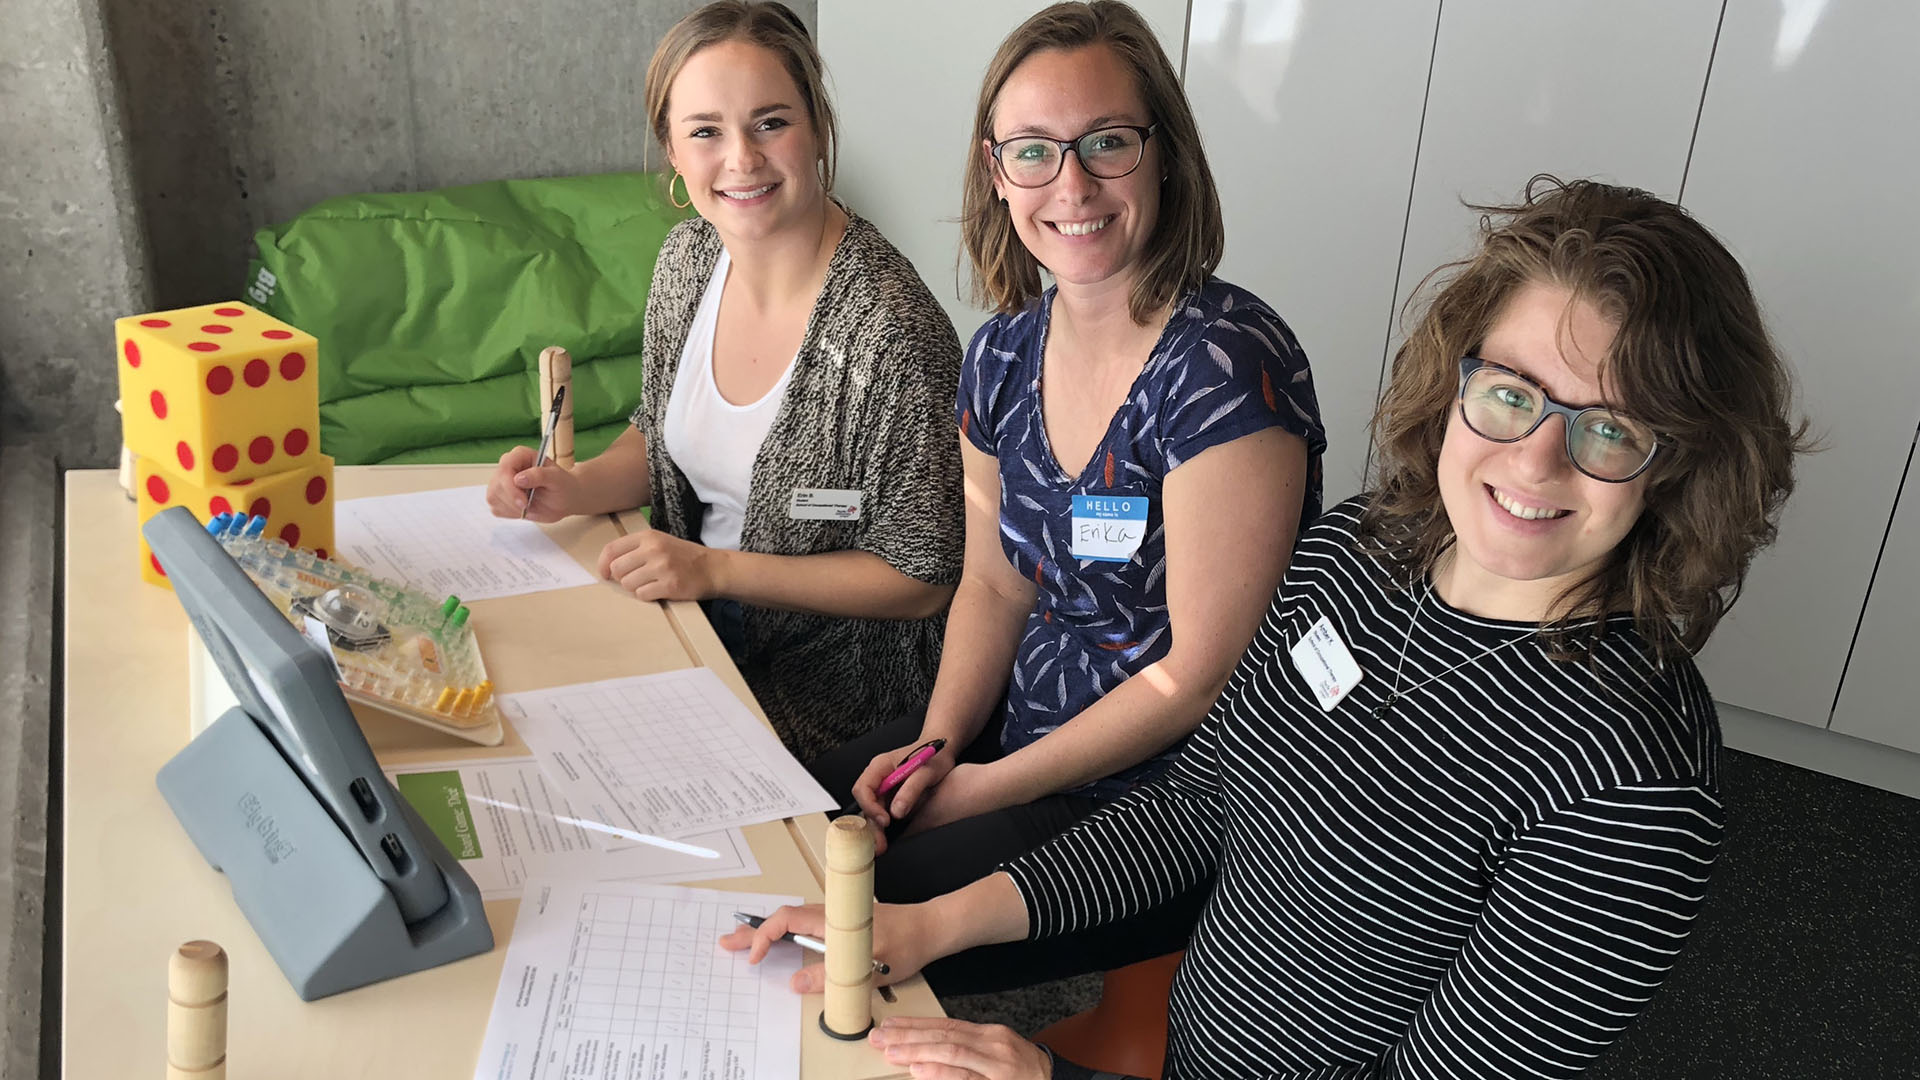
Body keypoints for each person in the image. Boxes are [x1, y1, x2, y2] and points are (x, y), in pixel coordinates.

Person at [727, 176, 1811, 1079]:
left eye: (1610, 427)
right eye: (1513, 393)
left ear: (1680, 465)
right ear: (1457, 381)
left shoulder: (1629, 777)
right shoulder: (1357, 556)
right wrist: (938, 923)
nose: (1534, 460)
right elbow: (1203, 807)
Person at [802, 0, 1325, 986]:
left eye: (1107, 144)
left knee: (853, 921)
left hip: (1163, 797)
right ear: (995, 173)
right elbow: (996, 588)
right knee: (778, 822)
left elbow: (1198, 679)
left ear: (1164, 154)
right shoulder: (1001, 353)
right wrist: (935, 750)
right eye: (1033, 151)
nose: (1072, 184)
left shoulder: (1221, 365)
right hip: (1017, 728)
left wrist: (982, 789)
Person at [484, 1, 964, 761]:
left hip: (840, 690)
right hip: (687, 617)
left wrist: (714, 570)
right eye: (705, 131)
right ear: (673, 154)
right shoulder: (687, 260)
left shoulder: (893, 333)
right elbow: (660, 432)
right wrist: (572, 488)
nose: (740, 158)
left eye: (771, 122)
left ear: (818, 129)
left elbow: (924, 575)